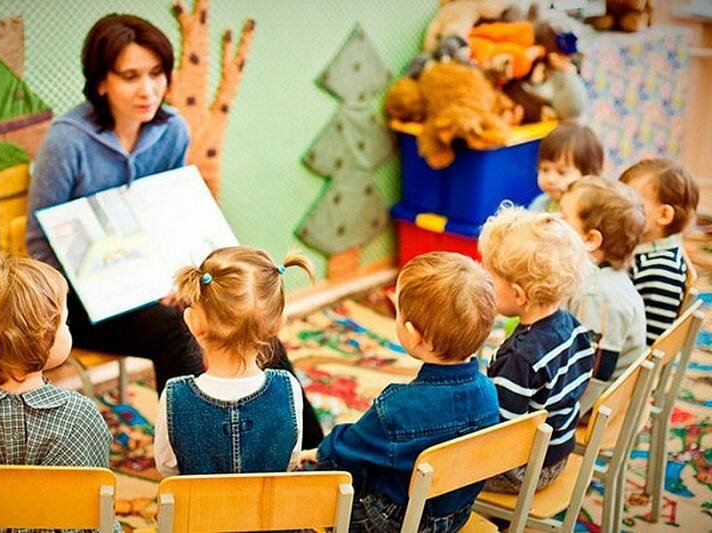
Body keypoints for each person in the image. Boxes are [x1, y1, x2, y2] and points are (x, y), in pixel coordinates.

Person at [25, 14, 323, 445]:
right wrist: (104, 286)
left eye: (156, 73)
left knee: (244, 311)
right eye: (130, 76)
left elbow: (170, 217)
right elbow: (39, 246)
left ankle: (310, 449)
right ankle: (195, 455)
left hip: (156, 285)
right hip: (83, 301)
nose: (147, 90)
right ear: (101, 81)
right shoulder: (66, 143)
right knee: (180, 329)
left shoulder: (172, 130)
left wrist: (175, 280)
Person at [299, 252, 500, 532]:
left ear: (413, 334)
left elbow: (348, 452)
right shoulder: (489, 392)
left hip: (394, 521)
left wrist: (320, 453)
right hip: (455, 515)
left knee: (307, 477)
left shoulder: (397, 407)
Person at [0, 256, 112, 472]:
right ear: (43, 338)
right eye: (64, 322)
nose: (68, 329)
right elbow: (97, 486)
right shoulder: (81, 416)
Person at [154, 247, 312, 475]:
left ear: (192, 322)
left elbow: (167, 469)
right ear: (277, 324)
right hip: (268, 499)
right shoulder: (288, 388)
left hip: (197, 500)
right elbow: (291, 461)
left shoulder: (173, 396)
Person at [478, 207, 594, 492]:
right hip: (559, 453)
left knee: (426, 461)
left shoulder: (520, 358)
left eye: (489, 277)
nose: (483, 281)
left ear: (518, 294)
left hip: (523, 471)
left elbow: (497, 434)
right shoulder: (574, 326)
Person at [561, 178, 647, 380]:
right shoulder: (602, 278)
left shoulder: (596, 295)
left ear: (591, 240)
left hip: (596, 398)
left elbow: (591, 375)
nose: (553, 221)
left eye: (563, 218)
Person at [620, 159, 700, 345]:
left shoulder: (661, 271)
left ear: (664, 215)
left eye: (630, 203)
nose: (619, 209)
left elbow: (649, 345)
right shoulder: (644, 248)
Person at [528, 121, 604, 213]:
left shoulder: (593, 213)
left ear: (589, 175)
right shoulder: (540, 204)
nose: (550, 179)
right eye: (545, 170)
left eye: (561, 172)